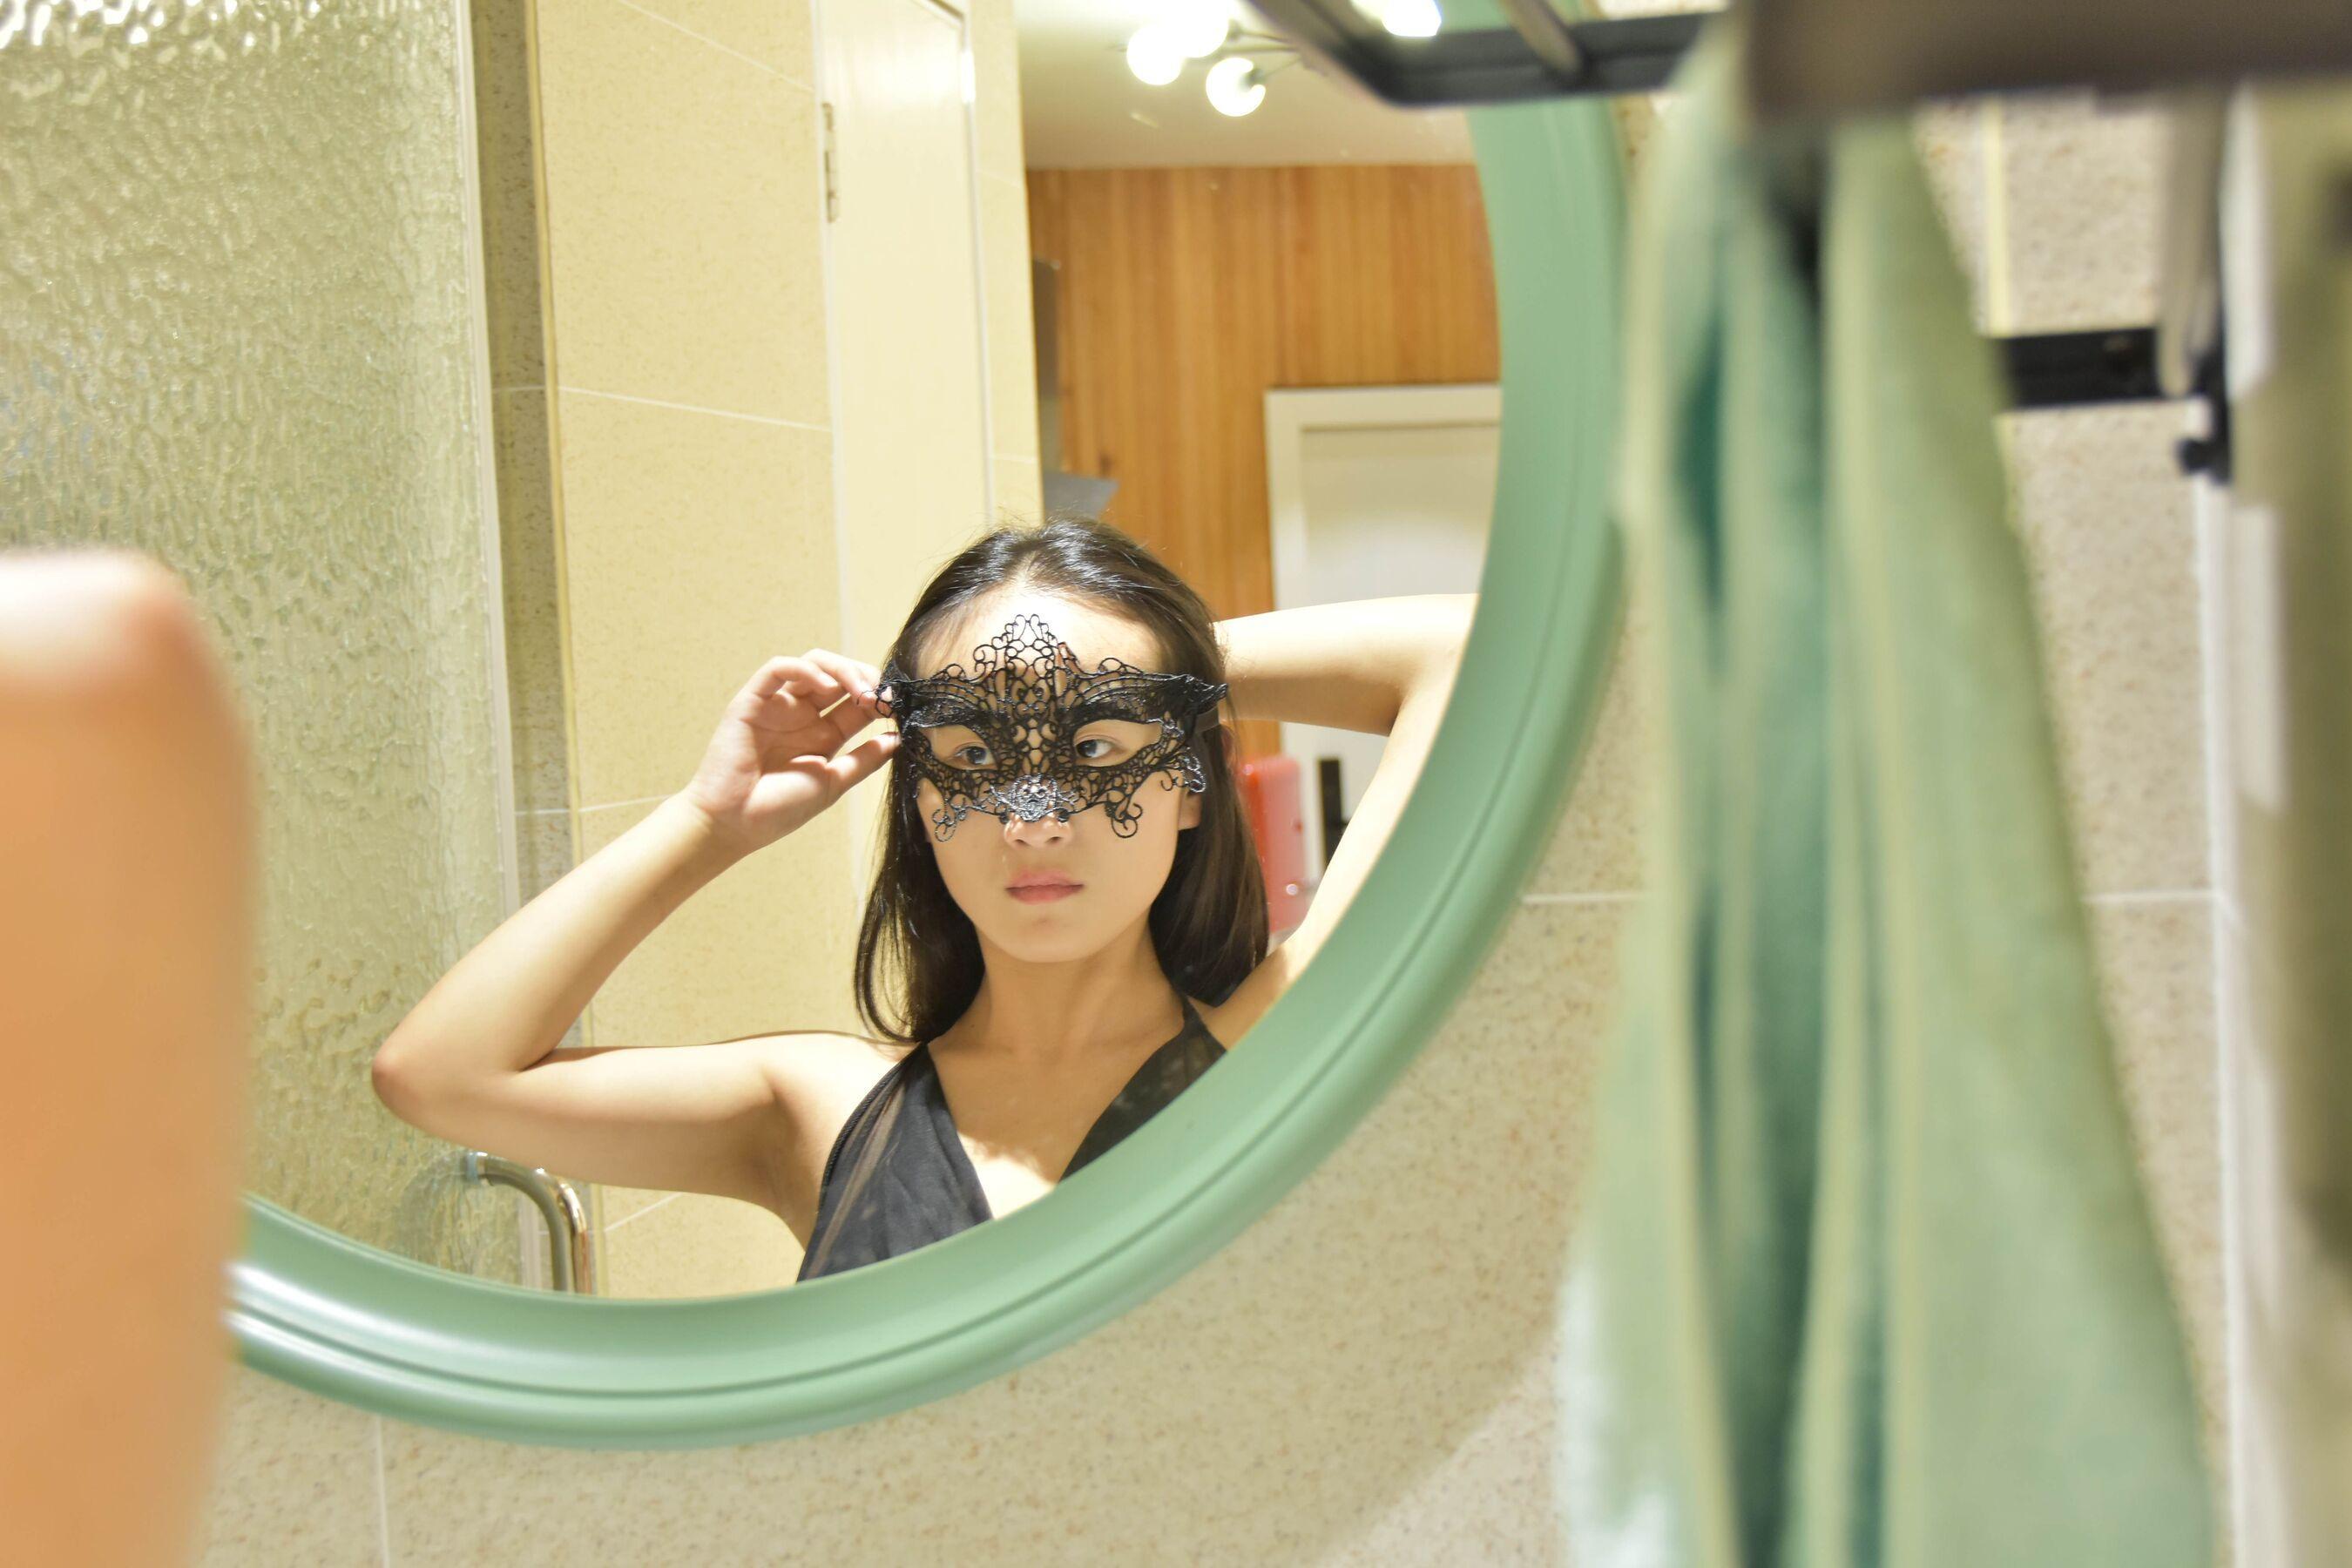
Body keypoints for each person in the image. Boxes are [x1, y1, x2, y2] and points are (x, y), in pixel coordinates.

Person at [371, 516, 1471, 1280]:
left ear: (1189, 783)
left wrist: (1153, 666)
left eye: (1095, 747)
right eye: (975, 753)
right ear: (921, 794)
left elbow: (1465, 652)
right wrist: (711, 823)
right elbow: (439, 1076)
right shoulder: (817, 1110)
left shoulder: (1282, 1045)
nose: (1033, 817)